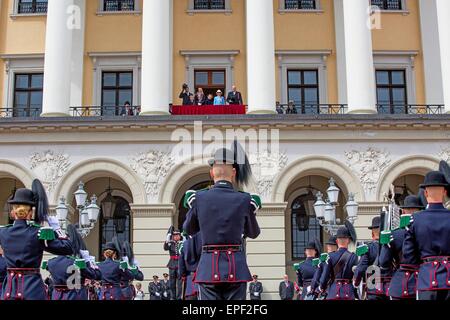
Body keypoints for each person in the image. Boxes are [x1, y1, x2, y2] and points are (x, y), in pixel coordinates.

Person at [183, 141, 261, 300]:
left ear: (212, 173)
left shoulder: (199, 197)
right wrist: (251, 209)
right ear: (233, 172)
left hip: (208, 268)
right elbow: (253, 233)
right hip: (236, 268)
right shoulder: (244, 199)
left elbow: (188, 229)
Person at [0, 180, 73, 300]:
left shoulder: (3, 233)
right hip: (32, 289)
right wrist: (57, 228)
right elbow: (67, 248)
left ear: (13, 212)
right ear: (30, 212)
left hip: (9, 290)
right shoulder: (38, 233)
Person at [402, 169, 450, 300]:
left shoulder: (415, 220)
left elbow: (408, 256)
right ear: (445, 192)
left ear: (425, 192)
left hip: (427, 280)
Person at [379, 195, 425, 300]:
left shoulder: (392, 235)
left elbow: (384, 262)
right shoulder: (427, 231)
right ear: (420, 211)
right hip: (424, 281)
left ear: (403, 212)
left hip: (400, 284)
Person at [45, 224, 101, 300]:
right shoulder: (77, 263)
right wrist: (88, 260)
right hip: (75, 296)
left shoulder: (51, 262)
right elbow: (96, 275)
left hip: (57, 296)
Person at [319, 223, 358, 300]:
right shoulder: (354, 257)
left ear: (336, 241)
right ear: (349, 240)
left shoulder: (330, 256)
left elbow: (325, 277)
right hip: (349, 293)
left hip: (333, 293)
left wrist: (322, 287)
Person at [353, 216, 390, 300]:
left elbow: (361, 269)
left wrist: (356, 282)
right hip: (389, 287)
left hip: (373, 287)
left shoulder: (368, 248)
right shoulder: (391, 245)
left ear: (372, 233)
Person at [179, 232, 202, 300]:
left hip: (191, 281)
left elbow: (181, 264)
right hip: (204, 280)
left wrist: (183, 275)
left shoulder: (184, 245)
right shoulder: (204, 242)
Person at [164, 227, 183, 300]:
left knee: (179, 283)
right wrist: (167, 239)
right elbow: (165, 248)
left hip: (179, 264)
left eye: (177, 235)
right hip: (172, 264)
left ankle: (179, 298)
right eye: (174, 235)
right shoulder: (170, 243)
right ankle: (172, 297)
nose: (176, 236)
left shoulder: (182, 243)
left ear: (179, 236)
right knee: (172, 283)